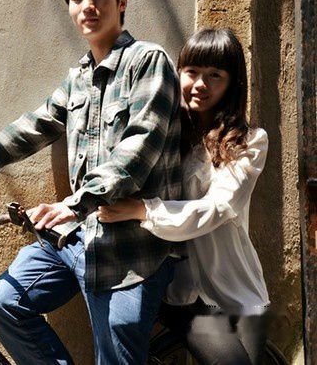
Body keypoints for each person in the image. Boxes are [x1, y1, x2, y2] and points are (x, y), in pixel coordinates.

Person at [0, 0, 181, 364]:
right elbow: (31, 128)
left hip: (131, 251)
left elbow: (138, 152)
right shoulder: (78, 79)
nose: (88, 6)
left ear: (122, 2)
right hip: (76, 237)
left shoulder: (148, 62)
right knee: (1, 302)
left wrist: (74, 203)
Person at [97, 28, 270, 364]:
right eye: (191, 72)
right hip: (179, 293)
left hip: (233, 293)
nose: (200, 84)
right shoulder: (166, 134)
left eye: (215, 75)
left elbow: (216, 208)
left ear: (233, 83)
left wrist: (144, 210)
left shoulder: (248, 142)